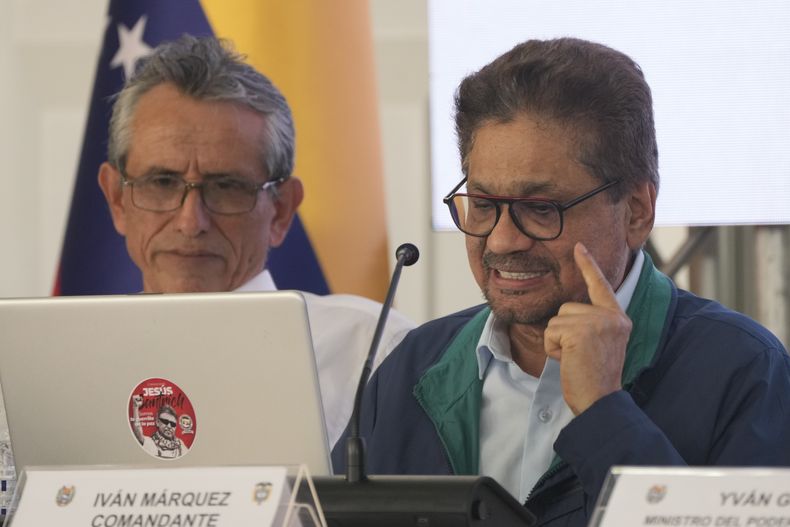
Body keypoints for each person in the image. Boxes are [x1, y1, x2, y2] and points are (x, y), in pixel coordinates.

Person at [331, 37, 790, 525]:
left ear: (636, 211)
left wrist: (604, 412)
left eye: (540, 209)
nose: (502, 240)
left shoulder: (745, 371)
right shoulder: (410, 368)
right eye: (483, 205)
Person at [97, 35, 414, 448]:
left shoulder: (375, 349)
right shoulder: (66, 359)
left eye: (226, 187)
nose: (191, 222)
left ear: (281, 210)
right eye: (161, 182)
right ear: (117, 199)